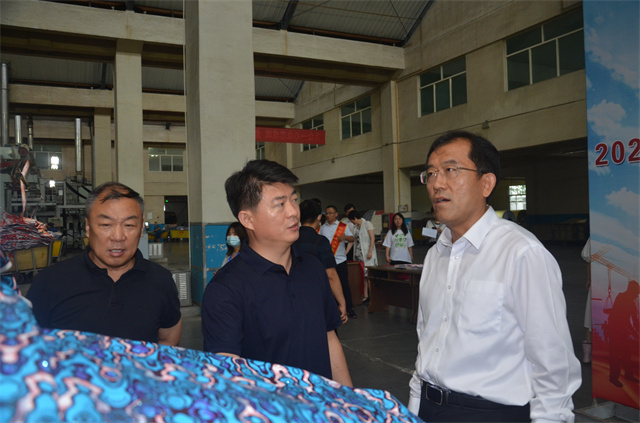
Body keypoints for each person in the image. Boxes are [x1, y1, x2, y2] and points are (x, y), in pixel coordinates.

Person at [408, 131, 581, 422]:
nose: (437, 183)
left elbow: (553, 365)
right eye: (431, 173)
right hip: (429, 408)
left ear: (486, 183)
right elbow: (425, 341)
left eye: (450, 170)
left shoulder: (521, 253)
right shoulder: (436, 254)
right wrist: (413, 410)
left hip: (490, 414)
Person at [201, 160, 352, 386]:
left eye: (294, 200)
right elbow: (228, 376)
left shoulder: (312, 268)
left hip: (323, 404)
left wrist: (349, 399)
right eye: (280, 204)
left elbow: (329, 339)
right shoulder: (225, 289)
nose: (293, 212)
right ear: (247, 219)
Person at [27, 182, 182, 345]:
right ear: (88, 227)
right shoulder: (50, 282)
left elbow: (168, 338)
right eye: (106, 225)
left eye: (129, 225)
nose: (118, 237)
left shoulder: (161, 281)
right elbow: (28, 345)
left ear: (141, 229)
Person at [294, 199, 348, 323]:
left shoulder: (290, 238)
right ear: (319, 217)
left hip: (293, 294)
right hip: (315, 296)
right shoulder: (320, 241)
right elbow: (331, 275)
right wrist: (342, 303)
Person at [320, 205, 357, 319]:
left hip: (340, 260)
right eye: (326, 213)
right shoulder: (322, 228)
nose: (328, 215)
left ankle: (349, 308)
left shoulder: (343, 226)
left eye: (330, 213)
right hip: (327, 261)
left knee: (344, 285)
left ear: (336, 214)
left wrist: (344, 237)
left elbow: (352, 238)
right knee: (329, 286)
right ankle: (334, 309)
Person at [605, 280, 640, 387]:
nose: (637, 295)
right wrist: (635, 331)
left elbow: (633, 320)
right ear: (632, 290)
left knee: (626, 354)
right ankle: (614, 377)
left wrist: (635, 330)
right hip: (615, 330)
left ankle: (628, 375)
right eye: (636, 293)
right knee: (615, 355)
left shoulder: (627, 300)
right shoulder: (624, 299)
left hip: (622, 331)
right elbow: (624, 317)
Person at [348, 210, 378, 303]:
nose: (352, 222)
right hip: (358, 255)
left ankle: (373, 296)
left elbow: (372, 238)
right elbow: (353, 241)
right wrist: (345, 252)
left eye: (352, 220)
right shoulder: (355, 227)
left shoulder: (367, 224)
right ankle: (365, 296)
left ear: (355, 218)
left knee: (369, 276)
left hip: (367, 254)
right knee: (363, 276)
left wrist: (370, 251)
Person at [581, 237, 592, 363]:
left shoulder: (595, 236)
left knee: (591, 316)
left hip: (598, 282)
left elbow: (588, 259)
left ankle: (587, 355)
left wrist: (589, 279)